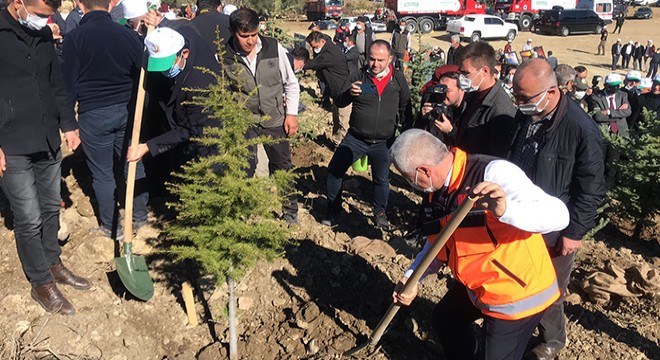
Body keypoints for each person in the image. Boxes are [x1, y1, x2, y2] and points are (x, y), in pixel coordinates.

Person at [390, 129, 570, 360]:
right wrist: (412, 276)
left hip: (517, 295)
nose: (409, 184)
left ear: (424, 171)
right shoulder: (436, 194)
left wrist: (505, 210)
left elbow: (559, 215)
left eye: (408, 177)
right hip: (478, 286)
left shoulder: (491, 173)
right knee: (446, 319)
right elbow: (437, 243)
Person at [508, 59, 606, 359]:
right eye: (517, 96)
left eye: (524, 97)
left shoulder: (580, 129)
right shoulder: (528, 114)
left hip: (555, 224)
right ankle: (517, 328)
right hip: (520, 214)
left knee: (549, 287)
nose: (518, 102)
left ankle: (552, 340)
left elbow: (591, 188)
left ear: (551, 92)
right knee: (519, 277)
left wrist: (574, 232)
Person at [0, 0, 92, 315]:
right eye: (40, 14)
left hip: (47, 137)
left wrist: (68, 124)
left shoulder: (41, 37)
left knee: (52, 206)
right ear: (17, 4)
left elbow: (57, 85)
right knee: (27, 216)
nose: (46, 20)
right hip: (11, 142)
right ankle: (41, 283)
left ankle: (53, 264)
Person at [61, 0, 148, 240]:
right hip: (127, 111)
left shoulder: (74, 38)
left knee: (102, 173)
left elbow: (68, 86)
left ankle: (113, 228)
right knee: (133, 161)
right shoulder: (128, 35)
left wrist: (69, 124)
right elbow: (140, 73)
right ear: (110, 4)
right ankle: (140, 216)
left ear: (80, 5)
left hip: (94, 113)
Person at [221, 8, 300, 224]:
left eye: (254, 35)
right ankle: (244, 210)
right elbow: (223, 90)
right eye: (244, 36)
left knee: (282, 165)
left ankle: (290, 210)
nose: (250, 41)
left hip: (274, 119)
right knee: (244, 167)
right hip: (244, 121)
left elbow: (291, 84)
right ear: (232, 32)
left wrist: (291, 114)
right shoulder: (224, 56)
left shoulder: (274, 49)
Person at [324, 40, 413, 229]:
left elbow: (406, 107)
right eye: (372, 59)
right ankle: (334, 211)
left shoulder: (397, 80)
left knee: (381, 180)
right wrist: (349, 93)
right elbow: (339, 100)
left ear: (389, 59)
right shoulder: (359, 76)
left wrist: (407, 134)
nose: (375, 64)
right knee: (334, 171)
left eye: (380, 60)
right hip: (356, 139)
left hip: (384, 142)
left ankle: (380, 214)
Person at [127, 27, 223, 170]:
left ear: (184, 53)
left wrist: (148, 147)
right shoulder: (181, 35)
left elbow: (188, 129)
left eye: (167, 65)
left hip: (206, 137)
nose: (164, 72)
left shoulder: (200, 84)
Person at [453, 41, 518, 157]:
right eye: (460, 72)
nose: (461, 78)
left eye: (466, 73)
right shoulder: (472, 94)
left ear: (485, 71)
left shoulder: (500, 110)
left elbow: (497, 159)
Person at [296, 31, 350, 145]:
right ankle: (336, 142)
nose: (313, 49)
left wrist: (297, 63)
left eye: (314, 46)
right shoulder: (327, 50)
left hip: (344, 92)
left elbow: (313, 64)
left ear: (322, 41)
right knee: (336, 120)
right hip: (336, 92)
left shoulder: (329, 54)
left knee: (343, 122)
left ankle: (341, 147)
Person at [591, 73, 632, 188]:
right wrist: (619, 112)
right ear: (605, 85)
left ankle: (608, 187)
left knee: (612, 164)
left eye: (617, 86)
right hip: (603, 134)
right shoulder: (596, 97)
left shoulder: (623, 95)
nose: (615, 89)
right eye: (611, 86)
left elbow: (628, 112)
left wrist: (609, 112)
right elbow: (598, 116)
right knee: (601, 161)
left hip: (618, 134)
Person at [418, 64, 465, 143]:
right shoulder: (434, 100)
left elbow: (472, 141)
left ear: (461, 90)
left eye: (448, 91)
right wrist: (423, 119)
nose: (443, 95)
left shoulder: (471, 107)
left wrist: (451, 131)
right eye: (440, 90)